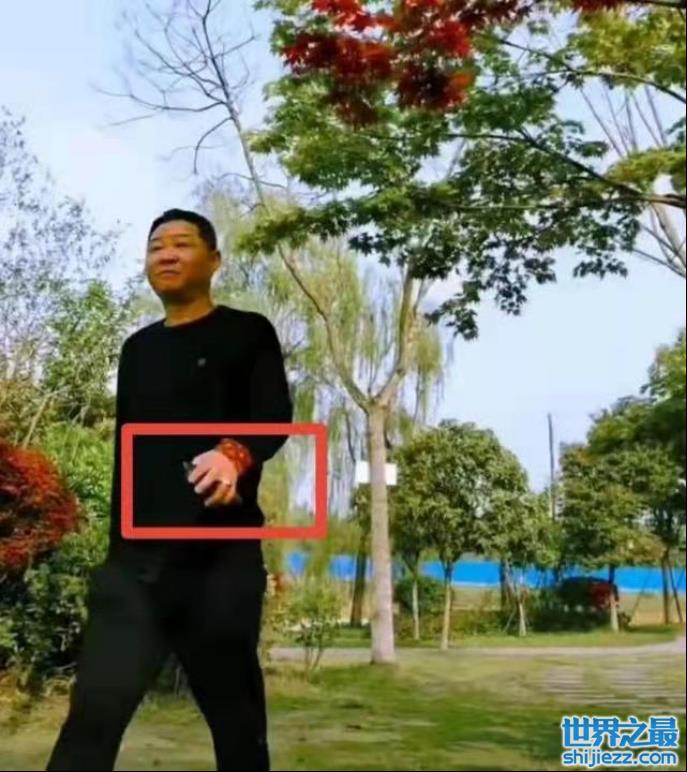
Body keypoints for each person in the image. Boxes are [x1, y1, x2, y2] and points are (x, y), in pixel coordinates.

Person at [46, 208, 293, 772]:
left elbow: (273, 416)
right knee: (90, 721)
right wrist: (114, 561)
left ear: (214, 260)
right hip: (135, 569)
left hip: (218, 564)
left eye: (182, 243)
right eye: (156, 246)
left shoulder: (248, 332)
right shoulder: (137, 350)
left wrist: (233, 456)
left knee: (237, 727)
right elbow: (131, 461)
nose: (167, 255)